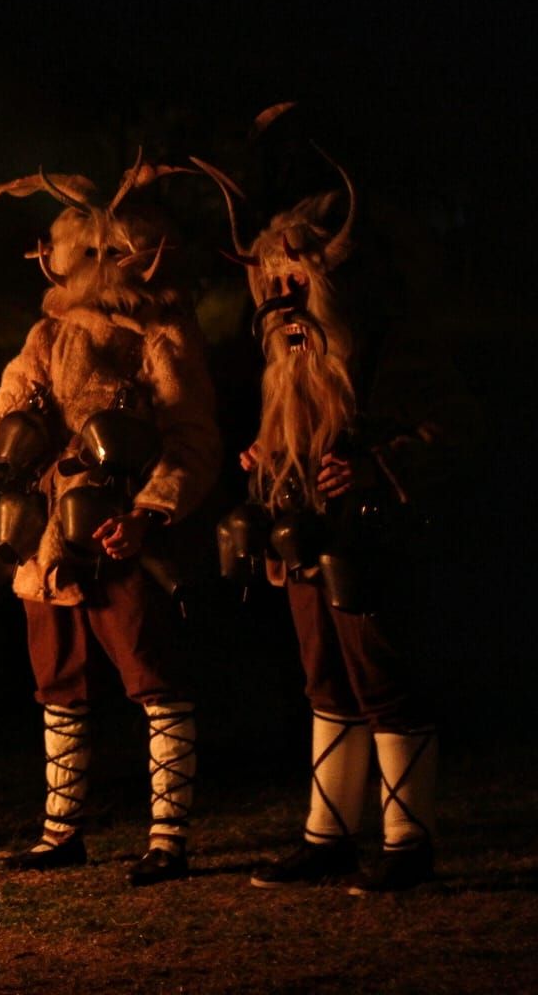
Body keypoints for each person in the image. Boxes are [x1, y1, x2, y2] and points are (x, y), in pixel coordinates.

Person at [0, 154, 220, 887]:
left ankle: (168, 838)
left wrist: (148, 513)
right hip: (48, 538)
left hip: (119, 534)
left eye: (107, 251)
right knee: (58, 684)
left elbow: (194, 440)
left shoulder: (161, 332)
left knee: (154, 682)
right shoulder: (48, 335)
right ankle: (61, 833)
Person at [198, 123, 474, 894]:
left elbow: (456, 429)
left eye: (296, 282)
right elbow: (293, 424)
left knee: (384, 680)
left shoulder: (392, 346)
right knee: (324, 681)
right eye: (273, 285)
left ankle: (408, 844)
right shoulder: (288, 353)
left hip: (372, 540)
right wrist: (267, 458)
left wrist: (378, 466)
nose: (283, 299)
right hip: (304, 538)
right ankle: (329, 839)